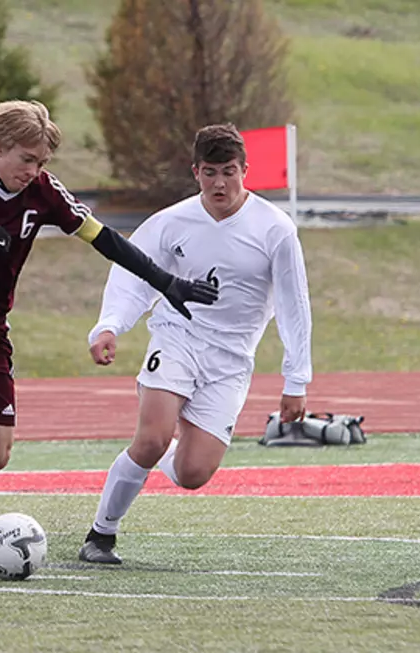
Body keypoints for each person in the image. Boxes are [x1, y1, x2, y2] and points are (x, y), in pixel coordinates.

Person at [0, 100, 219, 576]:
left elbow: (106, 240)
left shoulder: (44, 192)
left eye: (42, 163)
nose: (34, 171)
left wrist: (169, 284)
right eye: (26, 159)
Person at [77, 123, 313, 564]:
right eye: (209, 172)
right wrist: (109, 325)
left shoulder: (276, 230)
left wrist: (296, 379)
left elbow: (294, 305)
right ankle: (100, 535)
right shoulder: (170, 223)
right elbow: (135, 279)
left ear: (246, 170)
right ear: (195, 172)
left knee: (192, 473)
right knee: (148, 441)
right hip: (177, 338)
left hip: (230, 360)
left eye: (229, 171)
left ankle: (171, 444)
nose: (219, 183)